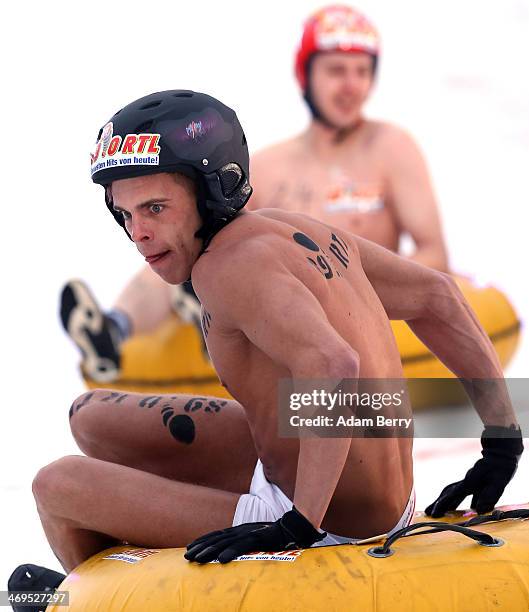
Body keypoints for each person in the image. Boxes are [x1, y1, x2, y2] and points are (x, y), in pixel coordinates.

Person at [8, 90, 522, 608]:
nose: (138, 234)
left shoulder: (224, 269)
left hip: (330, 518)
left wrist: (297, 524)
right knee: (90, 416)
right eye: (125, 214)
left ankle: (104, 599)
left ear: (212, 192)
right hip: (341, 472)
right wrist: (503, 441)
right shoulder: (296, 228)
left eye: (155, 208)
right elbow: (437, 296)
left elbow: (334, 365)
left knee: (56, 485)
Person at [59, 5, 449, 383]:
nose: (351, 85)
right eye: (336, 71)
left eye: (362, 72)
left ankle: (202, 308)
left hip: (343, 306)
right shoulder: (271, 164)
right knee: (178, 238)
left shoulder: (392, 149)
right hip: (275, 303)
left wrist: (359, 287)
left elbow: (434, 254)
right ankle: (114, 330)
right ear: (306, 75)